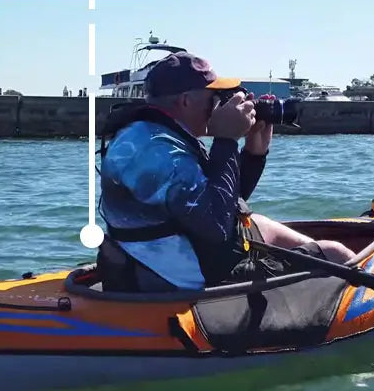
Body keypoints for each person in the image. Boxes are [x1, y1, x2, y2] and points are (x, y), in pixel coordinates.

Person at [95, 51, 356, 292]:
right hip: (177, 278)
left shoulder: (151, 134)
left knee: (262, 225)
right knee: (335, 254)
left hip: (154, 258)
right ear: (186, 101)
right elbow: (216, 226)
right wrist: (226, 139)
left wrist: (254, 155)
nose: (220, 105)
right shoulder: (159, 152)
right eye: (214, 98)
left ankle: (313, 260)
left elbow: (226, 201)